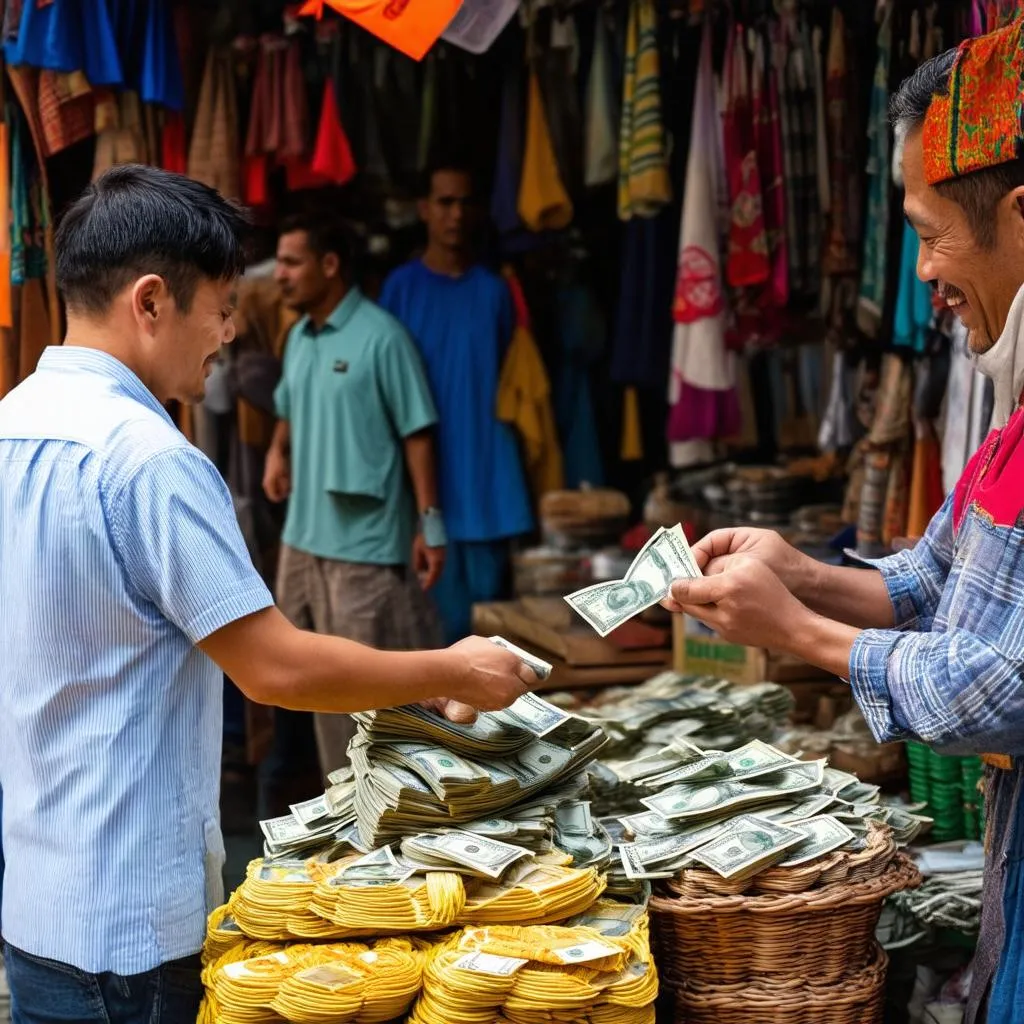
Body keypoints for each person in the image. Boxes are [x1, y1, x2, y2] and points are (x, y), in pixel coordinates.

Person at [0, 165, 536, 1024]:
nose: (230, 335)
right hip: (129, 934)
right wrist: (455, 668)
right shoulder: (152, 461)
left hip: (36, 907)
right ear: (150, 302)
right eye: (220, 309)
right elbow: (275, 668)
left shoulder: (14, 422)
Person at [666, 19, 1024, 1024]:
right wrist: (800, 572)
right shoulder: (1013, 418)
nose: (920, 275)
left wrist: (796, 633)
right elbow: (930, 579)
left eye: (926, 229)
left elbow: (999, 689)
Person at [264, 214, 446, 774]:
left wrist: (430, 526)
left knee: (361, 698)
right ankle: (334, 813)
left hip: (363, 546)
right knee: (300, 683)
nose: (281, 276)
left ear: (330, 265)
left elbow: (418, 433)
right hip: (301, 538)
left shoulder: (382, 337)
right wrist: (278, 451)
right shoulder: (298, 336)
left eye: (292, 262)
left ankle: (372, 822)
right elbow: (290, 406)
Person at [379, 164, 533, 645]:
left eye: (465, 202)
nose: (456, 214)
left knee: (492, 639)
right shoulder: (400, 290)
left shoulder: (494, 291)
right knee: (436, 643)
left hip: (490, 486)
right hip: (428, 495)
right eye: (445, 202)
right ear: (424, 210)